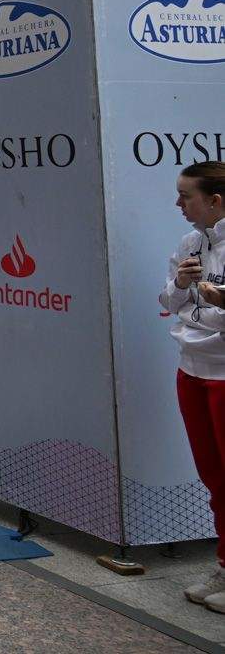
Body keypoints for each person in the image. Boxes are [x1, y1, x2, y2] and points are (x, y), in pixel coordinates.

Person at [160, 162, 225, 612]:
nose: (178, 204)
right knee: (212, 474)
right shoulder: (191, 241)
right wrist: (181, 284)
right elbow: (168, 301)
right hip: (192, 367)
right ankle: (224, 563)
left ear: (216, 200)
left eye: (186, 196)